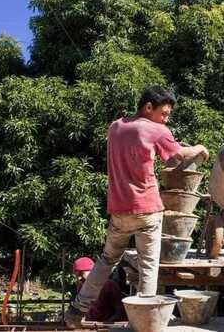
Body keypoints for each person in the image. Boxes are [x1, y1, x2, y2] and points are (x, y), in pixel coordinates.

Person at [64, 86, 209, 328]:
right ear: (148, 106)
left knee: (106, 260)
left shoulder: (115, 126)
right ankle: (145, 322)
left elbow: (135, 149)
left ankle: (77, 310)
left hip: (119, 209)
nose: (166, 118)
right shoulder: (157, 130)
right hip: (148, 209)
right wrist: (199, 148)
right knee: (148, 265)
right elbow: (179, 155)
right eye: (164, 113)